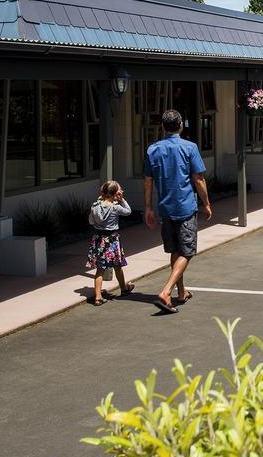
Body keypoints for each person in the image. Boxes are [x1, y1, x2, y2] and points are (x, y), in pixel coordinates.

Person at [144, 109, 212, 314]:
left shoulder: (153, 149)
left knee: (175, 251)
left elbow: (148, 181)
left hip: (165, 207)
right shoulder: (189, 147)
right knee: (187, 251)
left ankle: (180, 292)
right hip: (184, 206)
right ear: (181, 124)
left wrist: (148, 207)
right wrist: (206, 203)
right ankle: (166, 291)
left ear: (163, 127)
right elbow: (198, 179)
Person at [86, 180, 135, 305]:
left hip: (99, 239)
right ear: (115, 194)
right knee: (117, 266)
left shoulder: (95, 206)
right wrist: (122, 200)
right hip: (112, 240)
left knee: (100, 269)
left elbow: (91, 221)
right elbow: (128, 211)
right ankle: (124, 288)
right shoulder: (115, 207)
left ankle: (97, 297)